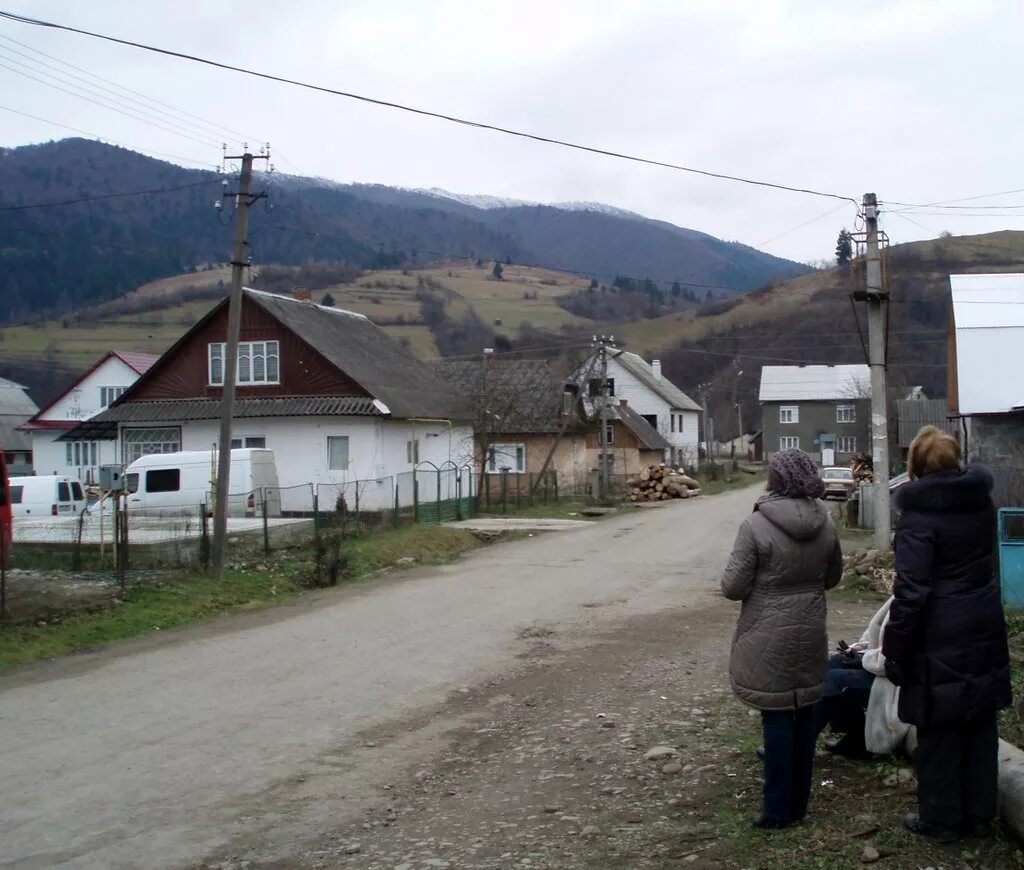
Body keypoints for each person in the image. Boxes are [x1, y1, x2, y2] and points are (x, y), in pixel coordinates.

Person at [882, 426, 1011, 843]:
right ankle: (979, 811)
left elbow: (912, 592)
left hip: (938, 631)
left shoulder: (918, 518)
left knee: (937, 726)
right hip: (983, 620)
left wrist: (895, 647)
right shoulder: (982, 504)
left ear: (916, 467)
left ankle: (940, 818)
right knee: (978, 718)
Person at [722, 448, 843, 828]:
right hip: (810, 629)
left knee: (776, 717)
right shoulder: (827, 523)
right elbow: (833, 577)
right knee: (806, 714)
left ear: (774, 479)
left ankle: (776, 811)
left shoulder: (755, 525)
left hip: (766, 630)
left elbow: (732, 586)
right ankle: (799, 807)